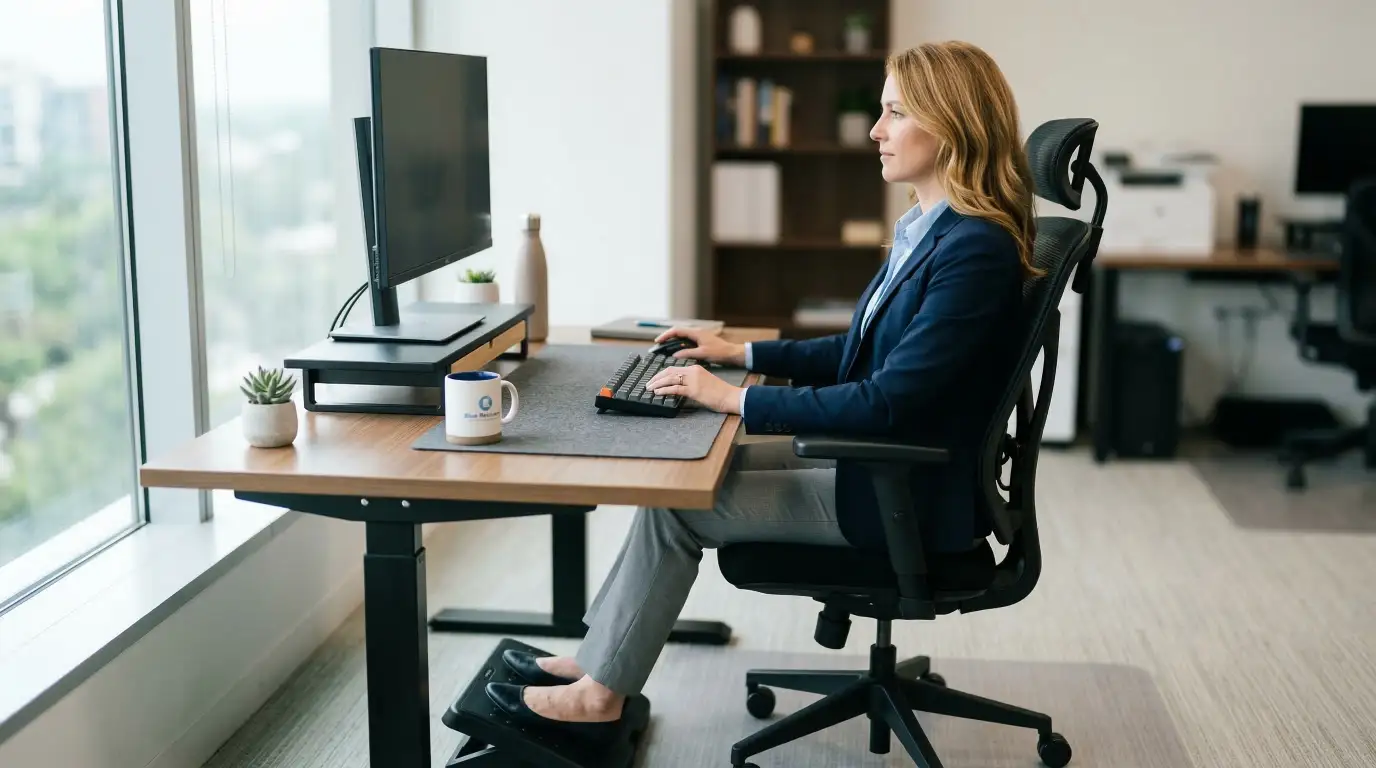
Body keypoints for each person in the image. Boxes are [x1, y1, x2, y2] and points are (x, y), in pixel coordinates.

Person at [484, 40, 1040, 742]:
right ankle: (602, 661)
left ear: (952, 125)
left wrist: (733, 398)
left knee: (679, 507)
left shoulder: (973, 250)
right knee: (684, 479)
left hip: (902, 495)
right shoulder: (931, 232)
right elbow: (855, 353)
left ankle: (601, 690)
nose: (875, 130)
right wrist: (738, 353)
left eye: (895, 113)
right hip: (884, 463)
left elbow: (886, 400)